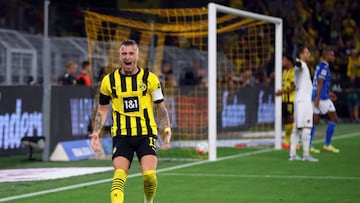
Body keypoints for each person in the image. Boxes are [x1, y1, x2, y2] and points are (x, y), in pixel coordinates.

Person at [90, 39, 171, 203]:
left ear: (137, 56)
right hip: (122, 136)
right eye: (124, 53)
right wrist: (96, 132)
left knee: (150, 177)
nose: (127, 57)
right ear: (120, 56)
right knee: (119, 176)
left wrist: (167, 129)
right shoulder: (109, 81)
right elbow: (103, 109)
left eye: (131, 53)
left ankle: (148, 201)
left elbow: (160, 107)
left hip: (145, 134)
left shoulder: (150, 79)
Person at [288, 46, 318, 162]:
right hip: (303, 101)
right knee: (306, 127)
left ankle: (292, 154)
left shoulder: (304, 67)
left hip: (301, 100)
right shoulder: (301, 65)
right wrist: (295, 60)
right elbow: (298, 65)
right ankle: (306, 154)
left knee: (296, 128)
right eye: (306, 52)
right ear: (301, 55)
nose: (309, 54)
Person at [309, 48, 339, 154]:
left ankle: (309, 145)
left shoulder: (319, 65)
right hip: (321, 97)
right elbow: (320, 82)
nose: (333, 57)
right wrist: (318, 97)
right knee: (334, 118)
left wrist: (328, 92)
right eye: (332, 55)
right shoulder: (325, 67)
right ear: (326, 56)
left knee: (315, 120)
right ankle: (327, 144)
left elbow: (319, 82)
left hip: (316, 95)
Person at [275, 55, 295, 149]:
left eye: (284, 60)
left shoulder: (293, 72)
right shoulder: (284, 72)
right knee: (287, 120)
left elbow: (293, 87)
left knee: (291, 119)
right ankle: (287, 142)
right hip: (283, 99)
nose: (282, 62)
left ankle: (294, 141)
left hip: (290, 100)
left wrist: (282, 92)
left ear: (289, 61)